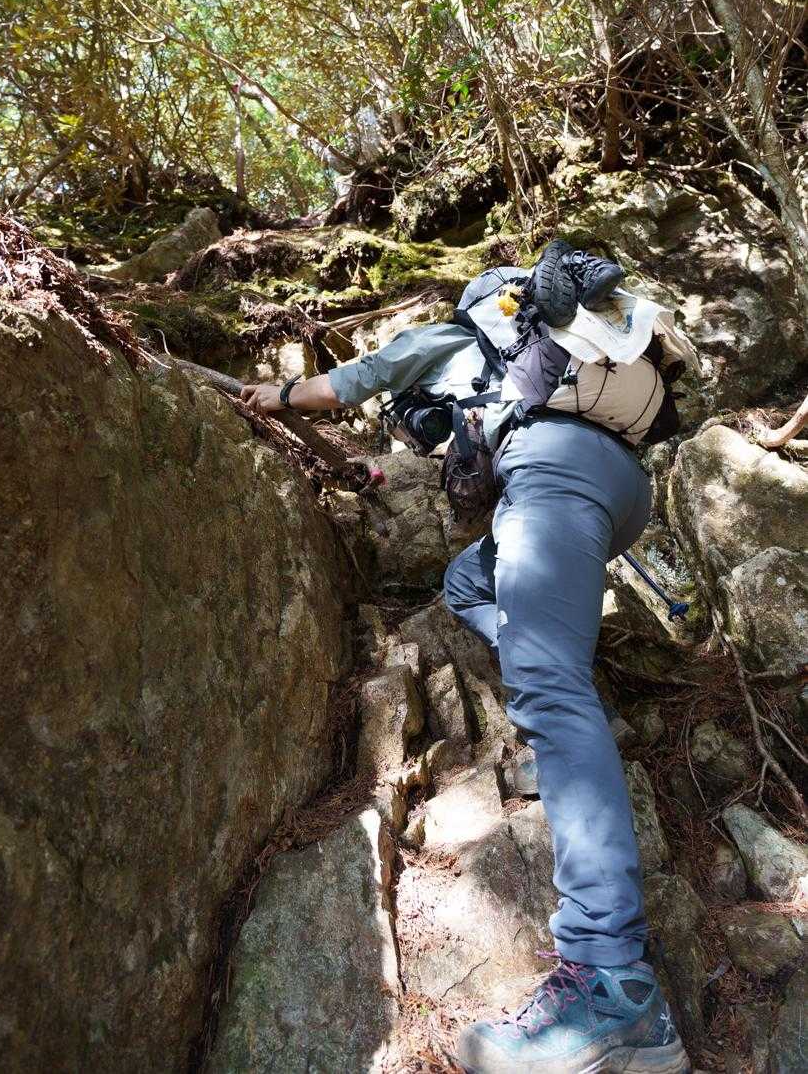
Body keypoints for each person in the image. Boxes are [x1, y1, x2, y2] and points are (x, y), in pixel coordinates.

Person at [241, 245, 691, 1074]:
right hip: (622, 487)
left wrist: (278, 395)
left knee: (550, 690)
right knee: (465, 582)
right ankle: (561, 682)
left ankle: (615, 985)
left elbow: (353, 382)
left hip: (553, 472)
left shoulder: (459, 337)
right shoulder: (565, 360)